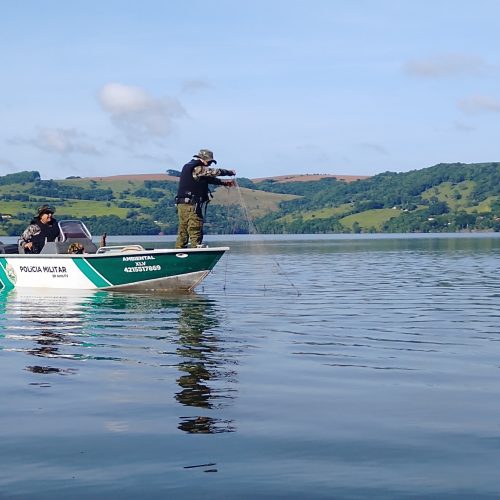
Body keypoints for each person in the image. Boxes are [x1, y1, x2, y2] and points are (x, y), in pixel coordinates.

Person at [175, 149, 236, 248]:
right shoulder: (197, 168)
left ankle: (179, 251)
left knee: (183, 230)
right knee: (195, 227)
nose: (210, 164)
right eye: (210, 162)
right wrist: (229, 172)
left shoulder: (190, 167)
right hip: (191, 205)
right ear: (204, 159)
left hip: (182, 204)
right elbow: (213, 172)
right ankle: (196, 249)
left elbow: (208, 179)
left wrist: (224, 183)